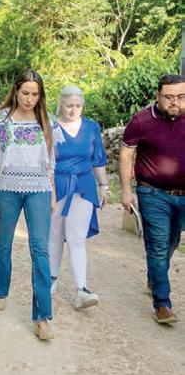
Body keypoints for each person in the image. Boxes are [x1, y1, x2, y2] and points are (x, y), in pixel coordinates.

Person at [0, 69, 55, 341]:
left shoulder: (47, 121)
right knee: (4, 243)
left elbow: (50, 161)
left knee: (40, 249)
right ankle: (1, 290)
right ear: (16, 90)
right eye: (25, 93)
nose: (30, 99)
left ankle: (42, 317)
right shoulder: (0, 120)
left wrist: (52, 193)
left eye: (35, 94)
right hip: (6, 189)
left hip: (39, 190)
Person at [119, 74, 185, 325]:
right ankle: (162, 304)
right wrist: (126, 190)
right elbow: (126, 153)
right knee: (157, 245)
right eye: (169, 97)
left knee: (172, 241)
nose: (175, 102)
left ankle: (154, 278)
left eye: (181, 97)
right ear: (158, 96)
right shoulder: (141, 120)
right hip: (152, 193)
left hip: (183, 195)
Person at [48, 86, 109, 309]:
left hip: (83, 185)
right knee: (55, 234)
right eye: (69, 105)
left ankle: (81, 288)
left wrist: (104, 185)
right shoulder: (51, 127)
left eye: (78, 105)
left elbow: (98, 159)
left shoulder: (92, 128)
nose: (73, 110)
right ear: (61, 105)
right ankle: (52, 278)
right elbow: (45, 160)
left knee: (76, 237)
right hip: (57, 184)